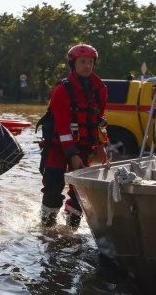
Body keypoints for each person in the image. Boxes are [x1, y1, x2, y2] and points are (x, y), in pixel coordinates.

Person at [41, 44, 108, 229]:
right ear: (73, 63)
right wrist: (72, 153)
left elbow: (99, 121)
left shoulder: (100, 89)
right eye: (82, 62)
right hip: (58, 147)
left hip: (84, 147)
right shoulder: (62, 90)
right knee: (53, 187)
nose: (87, 66)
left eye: (90, 62)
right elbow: (62, 127)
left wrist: (101, 147)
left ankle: (72, 229)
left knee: (80, 191)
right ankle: (47, 228)